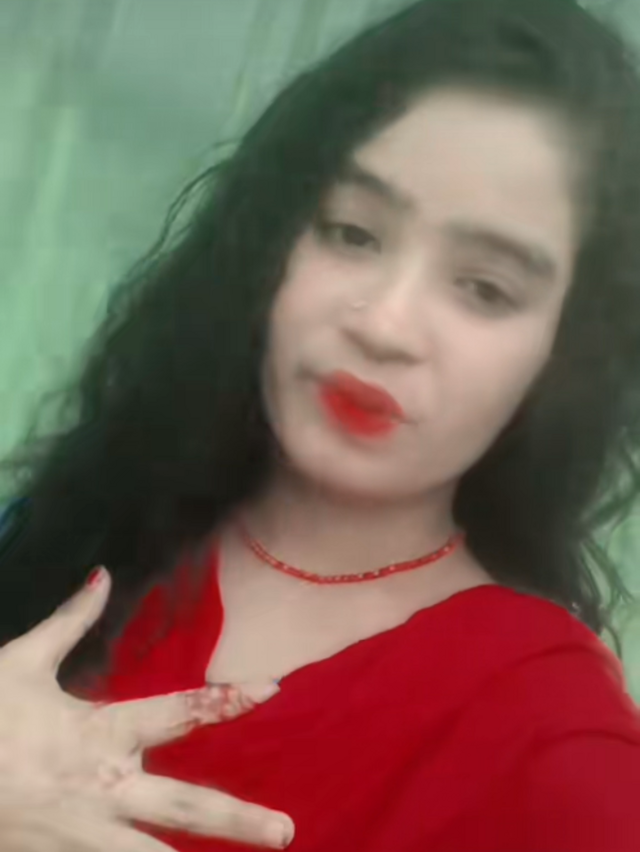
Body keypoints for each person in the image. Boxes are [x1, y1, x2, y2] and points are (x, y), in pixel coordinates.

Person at [1, 0, 640, 849]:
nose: (385, 324)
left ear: (564, 355)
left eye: (485, 288)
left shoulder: (551, 743)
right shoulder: (84, 519)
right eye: (352, 233)